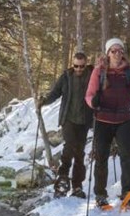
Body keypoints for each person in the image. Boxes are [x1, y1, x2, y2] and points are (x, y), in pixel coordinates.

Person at [85, 37, 130, 209]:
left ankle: (129, 194)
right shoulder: (99, 71)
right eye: (113, 51)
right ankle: (100, 194)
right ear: (108, 53)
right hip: (102, 119)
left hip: (123, 119)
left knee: (126, 156)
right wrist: (94, 102)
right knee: (101, 158)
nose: (117, 54)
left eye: (120, 51)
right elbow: (89, 95)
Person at [39, 52, 94, 198]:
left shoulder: (92, 76)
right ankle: (62, 180)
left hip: (84, 120)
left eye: (81, 66)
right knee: (69, 147)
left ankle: (77, 186)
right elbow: (55, 93)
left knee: (80, 153)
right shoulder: (66, 77)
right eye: (76, 66)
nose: (78, 69)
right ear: (73, 64)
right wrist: (44, 101)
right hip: (68, 119)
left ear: (86, 64)